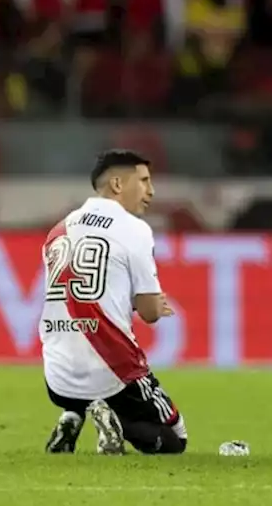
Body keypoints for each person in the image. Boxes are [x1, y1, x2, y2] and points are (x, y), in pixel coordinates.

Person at [41, 150, 183, 455]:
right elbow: (150, 313)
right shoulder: (135, 230)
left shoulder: (58, 230)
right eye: (144, 181)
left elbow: (79, 295)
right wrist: (154, 304)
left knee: (82, 390)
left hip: (57, 377)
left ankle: (72, 416)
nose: (151, 190)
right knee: (175, 439)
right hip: (112, 372)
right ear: (118, 184)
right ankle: (113, 420)